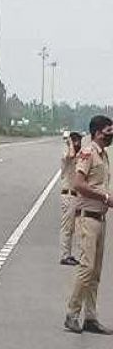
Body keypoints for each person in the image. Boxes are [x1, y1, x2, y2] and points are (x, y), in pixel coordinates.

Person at [64, 115, 113, 335]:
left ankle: (90, 317)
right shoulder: (87, 153)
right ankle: (72, 313)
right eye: (108, 130)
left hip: (100, 218)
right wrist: (104, 196)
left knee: (96, 272)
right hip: (87, 218)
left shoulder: (104, 155)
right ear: (97, 132)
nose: (110, 134)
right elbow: (78, 183)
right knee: (86, 268)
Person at [59, 131, 82, 265]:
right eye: (76, 141)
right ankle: (64, 255)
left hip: (75, 195)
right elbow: (71, 155)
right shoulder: (66, 153)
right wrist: (69, 142)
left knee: (72, 227)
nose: (78, 143)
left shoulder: (77, 155)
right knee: (67, 227)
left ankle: (68, 253)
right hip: (68, 194)